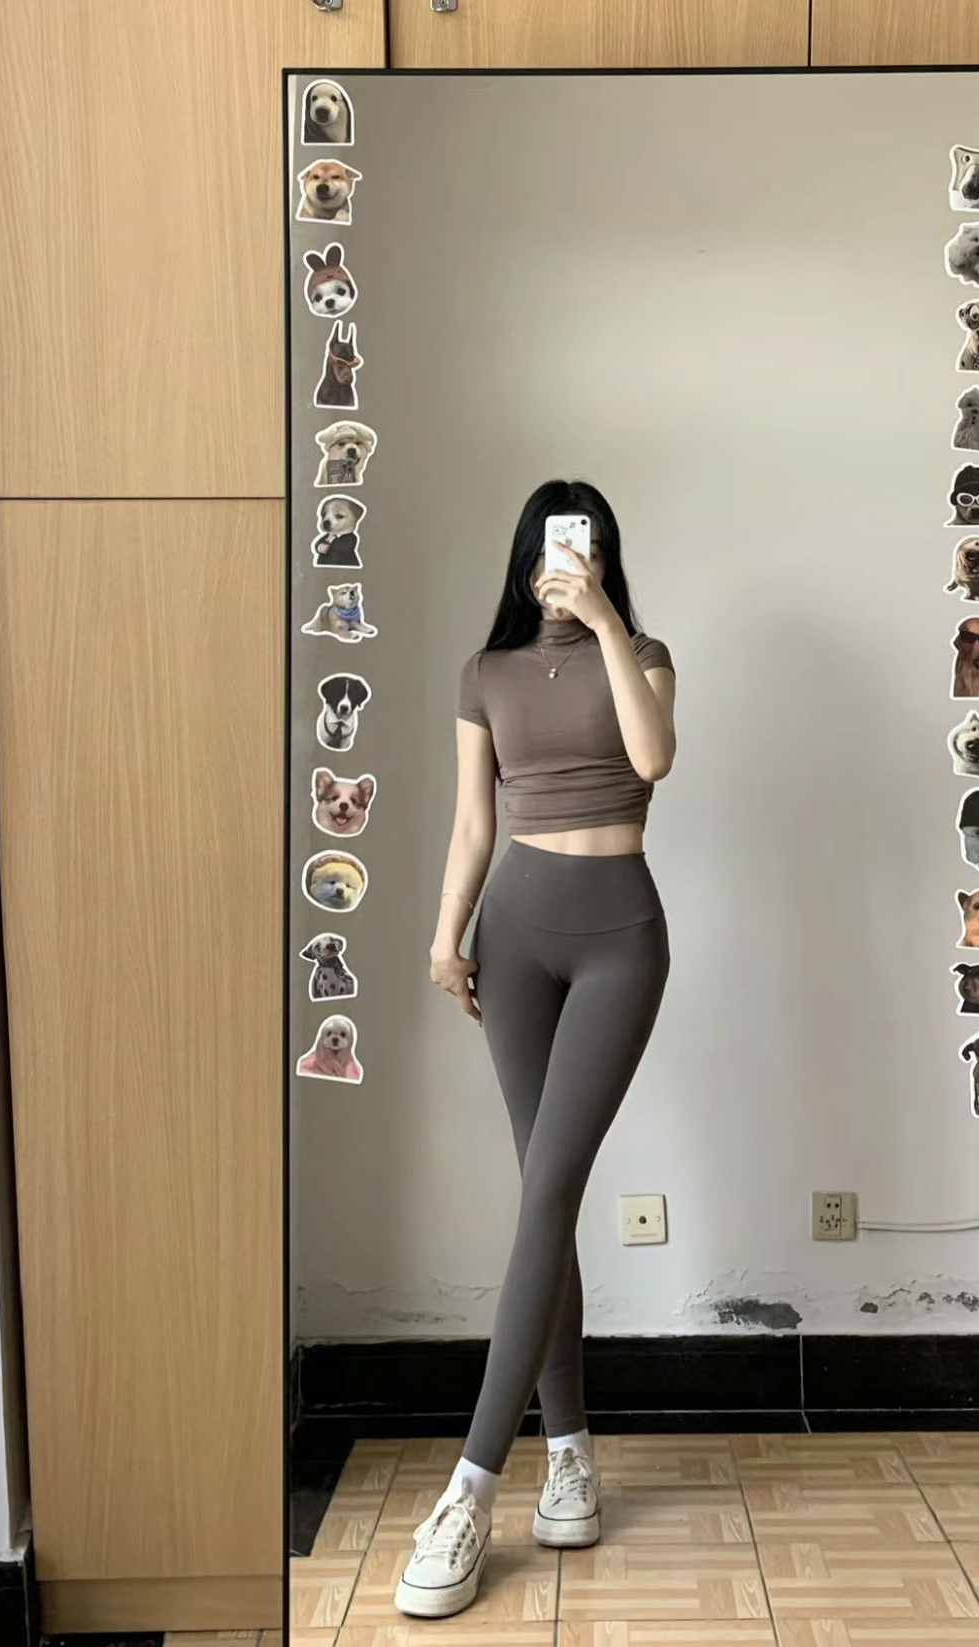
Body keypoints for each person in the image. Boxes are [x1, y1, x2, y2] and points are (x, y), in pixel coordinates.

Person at [394, 479, 677, 1619]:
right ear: (526, 556)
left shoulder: (643, 653)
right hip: (513, 937)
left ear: (605, 558)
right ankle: (569, 1455)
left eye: (589, 545)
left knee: (549, 1185)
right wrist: (445, 933)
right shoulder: (485, 672)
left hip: (619, 940)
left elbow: (654, 761)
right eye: (558, 545)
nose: (570, 560)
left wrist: (603, 619)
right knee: (541, 1197)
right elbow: (475, 818)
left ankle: (469, 1488)